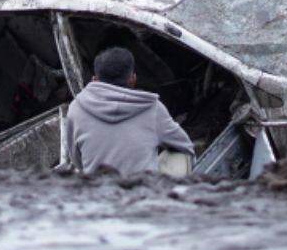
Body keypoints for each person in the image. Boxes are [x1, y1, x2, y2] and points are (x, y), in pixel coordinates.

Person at [64, 47, 194, 176]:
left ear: (95, 80)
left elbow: (77, 161)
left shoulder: (76, 110)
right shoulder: (152, 108)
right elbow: (185, 149)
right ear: (133, 78)